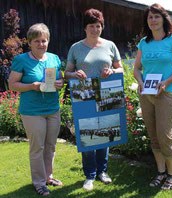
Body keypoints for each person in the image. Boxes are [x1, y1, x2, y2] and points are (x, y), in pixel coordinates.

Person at [65, 8, 123, 191]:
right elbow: (66, 73)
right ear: (85, 28)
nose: (95, 30)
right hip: (84, 93)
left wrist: (112, 71)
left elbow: (121, 69)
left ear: (102, 27)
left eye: (98, 26)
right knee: (88, 135)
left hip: (106, 92)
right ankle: (89, 175)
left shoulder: (110, 45)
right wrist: (74, 73)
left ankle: (102, 171)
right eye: (91, 26)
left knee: (105, 133)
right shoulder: (76, 48)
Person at [134, 4, 172, 190]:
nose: (153, 20)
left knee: (164, 135)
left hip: (168, 93)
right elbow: (136, 68)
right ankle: (160, 172)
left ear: (164, 19)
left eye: (157, 16)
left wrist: (166, 82)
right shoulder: (144, 42)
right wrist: (140, 82)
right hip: (147, 94)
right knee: (153, 135)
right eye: (150, 17)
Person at [8, 23, 64, 196]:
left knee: (50, 146)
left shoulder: (54, 58)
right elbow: (12, 85)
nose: (41, 44)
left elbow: (60, 81)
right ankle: (39, 182)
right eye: (37, 41)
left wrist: (60, 84)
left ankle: (49, 176)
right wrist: (32, 86)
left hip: (53, 108)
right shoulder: (21, 60)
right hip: (32, 111)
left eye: (44, 40)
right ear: (30, 43)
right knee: (37, 147)